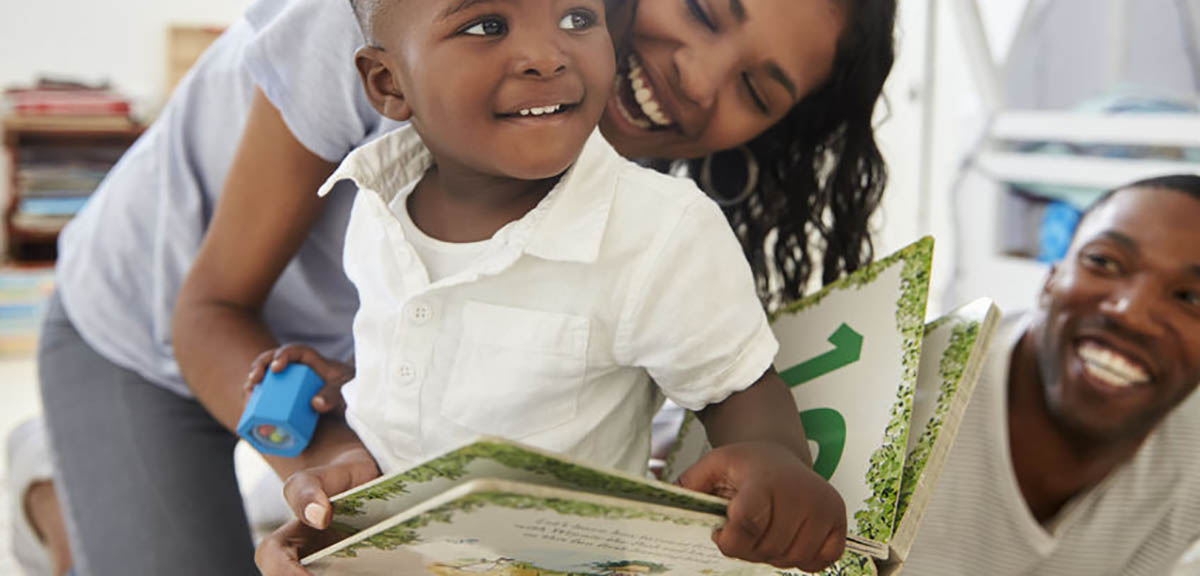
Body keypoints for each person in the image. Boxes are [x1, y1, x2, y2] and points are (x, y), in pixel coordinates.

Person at [20, 0, 896, 575]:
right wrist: (324, 471)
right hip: (157, 329)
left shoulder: (665, 217)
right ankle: (62, 506)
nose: (698, 79)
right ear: (387, 83)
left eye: (755, 88)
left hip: (357, 375)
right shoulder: (379, 19)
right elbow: (208, 313)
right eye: (703, 7)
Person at [247, 0, 845, 572]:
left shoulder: (659, 232)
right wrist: (338, 462)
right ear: (388, 83)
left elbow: (734, 389)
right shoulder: (376, 211)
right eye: (485, 26)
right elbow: (435, 386)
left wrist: (775, 459)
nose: (546, 55)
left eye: (577, 18)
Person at [902, 174, 1200, 575]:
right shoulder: (897, 402)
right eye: (1103, 261)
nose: (1130, 312)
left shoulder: (1189, 461)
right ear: (1051, 276)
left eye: (1191, 298)